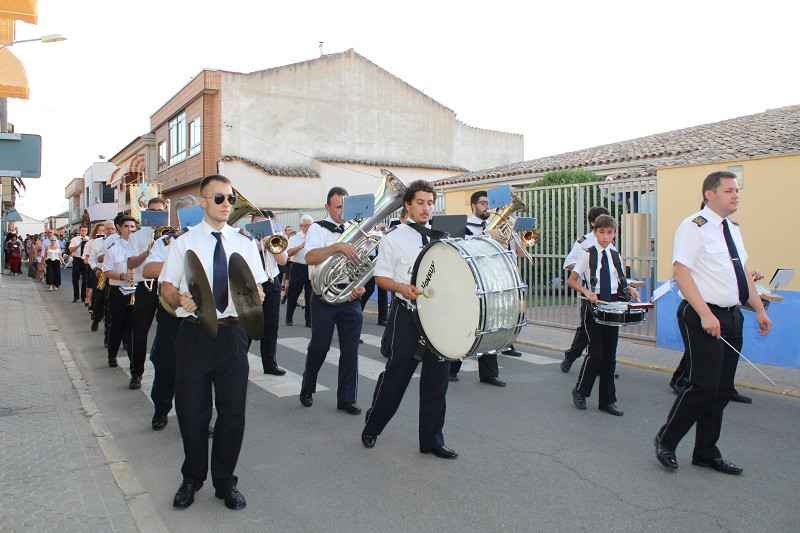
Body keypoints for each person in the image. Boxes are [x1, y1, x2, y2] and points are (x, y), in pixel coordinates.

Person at [160, 175, 266, 510]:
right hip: (193, 334)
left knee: (233, 412)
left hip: (233, 333)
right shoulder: (183, 242)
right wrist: (181, 298)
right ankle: (192, 478)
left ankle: (225, 482)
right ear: (203, 201)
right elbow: (165, 288)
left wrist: (257, 295)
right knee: (193, 412)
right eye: (218, 198)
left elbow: (258, 289)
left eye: (230, 199)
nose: (225, 204)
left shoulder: (246, 243)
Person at [655, 171, 771, 474]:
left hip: (732, 315)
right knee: (703, 385)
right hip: (703, 314)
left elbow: (742, 273)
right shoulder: (695, 226)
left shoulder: (732, 228)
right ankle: (666, 440)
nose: (736, 195)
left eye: (737, 191)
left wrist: (759, 309)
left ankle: (706, 451)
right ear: (710, 194)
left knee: (721, 389)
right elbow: (681, 272)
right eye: (729, 190)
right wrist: (706, 314)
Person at [362, 180, 457, 458]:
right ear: (407, 205)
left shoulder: (443, 237)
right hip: (407, 315)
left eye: (430, 202)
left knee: (436, 382)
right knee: (396, 379)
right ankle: (373, 426)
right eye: (420, 202)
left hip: (438, 317)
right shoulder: (393, 238)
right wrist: (402, 288)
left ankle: (431, 440)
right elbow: (381, 278)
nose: (426, 208)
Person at [299, 188, 364, 413]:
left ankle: (346, 398)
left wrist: (360, 284)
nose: (342, 212)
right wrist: (337, 246)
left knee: (350, 349)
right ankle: (307, 386)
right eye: (337, 207)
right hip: (323, 296)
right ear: (327, 208)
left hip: (349, 296)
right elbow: (309, 257)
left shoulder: (355, 229)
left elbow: (363, 263)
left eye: (345, 207)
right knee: (320, 346)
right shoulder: (318, 228)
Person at [568, 215, 639, 416]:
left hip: (612, 305)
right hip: (594, 306)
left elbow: (619, 279)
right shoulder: (587, 253)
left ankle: (607, 400)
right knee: (596, 353)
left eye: (610, 232)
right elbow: (572, 281)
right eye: (602, 232)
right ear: (595, 232)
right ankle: (581, 391)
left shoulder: (615, 254)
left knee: (610, 355)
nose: (606, 237)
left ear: (614, 233)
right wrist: (587, 292)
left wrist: (630, 289)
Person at [143, 195, 199, 431]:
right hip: (173, 311)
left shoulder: (210, 240)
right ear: (178, 217)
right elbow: (148, 269)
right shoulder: (166, 242)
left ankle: (197, 417)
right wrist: (176, 263)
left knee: (198, 370)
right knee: (166, 364)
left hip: (200, 312)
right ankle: (161, 409)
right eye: (188, 214)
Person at [668, 267, 761, 404]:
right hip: (705, 307)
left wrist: (746, 277)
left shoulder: (736, 248)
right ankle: (681, 381)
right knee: (700, 353)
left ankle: (726, 388)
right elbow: (684, 273)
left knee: (727, 355)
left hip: (730, 309)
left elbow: (729, 273)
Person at [449, 190, 507, 386]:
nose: (487, 207)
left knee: (489, 325)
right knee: (464, 324)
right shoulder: (463, 226)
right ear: (473, 206)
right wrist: (485, 235)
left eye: (488, 204)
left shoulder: (495, 227)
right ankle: (452, 367)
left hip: (489, 280)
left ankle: (489, 373)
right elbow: (459, 246)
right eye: (483, 204)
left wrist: (503, 242)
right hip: (468, 281)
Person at [560, 206, 613, 373]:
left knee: (604, 330)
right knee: (586, 330)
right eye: (601, 221)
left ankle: (603, 364)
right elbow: (568, 262)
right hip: (589, 292)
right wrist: (589, 267)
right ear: (593, 224)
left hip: (606, 293)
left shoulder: (609, 242)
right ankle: (571, 356)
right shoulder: (585, 241)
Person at [126, 197, 168, 391]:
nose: (156, 214)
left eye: (160, 211)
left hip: (165, 285)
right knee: (140, 331)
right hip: (145, 286)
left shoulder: (171, 235)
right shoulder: (137, 236)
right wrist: (147, 252)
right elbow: (130, 264)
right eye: (152, 211)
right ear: (146, 212)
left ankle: (165, 367)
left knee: (167, 331)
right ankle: (136, 372)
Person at [251, 211, 288, 376]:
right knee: (248, 327)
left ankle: (269, 364)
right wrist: (258, 246)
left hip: (272, 283)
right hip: (251, 286)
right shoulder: (246, 240)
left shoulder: (275, 238)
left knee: (271, 326)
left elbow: (283, 261)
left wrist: (270, 245)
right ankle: (238, 363)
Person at [103, 216, 137, 369]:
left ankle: (133, 361)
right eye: (127, 226)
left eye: (132, 226)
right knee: (117, 325)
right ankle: (112, 354)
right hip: (118, 290)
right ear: (120, 228)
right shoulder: (113, 248)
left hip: (136, 290)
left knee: (133, 328)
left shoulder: (140, 248)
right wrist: (123, 276)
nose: (130, 229)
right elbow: (107, 271)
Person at [285, 214, 313, 327]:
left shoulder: (315, 236)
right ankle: (289, 317)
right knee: (293, 294)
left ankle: (309, 320)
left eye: (310, 226)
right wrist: (301, 246)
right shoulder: (295, 237)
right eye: (306, 226)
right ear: (301, 226)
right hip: (298, 267)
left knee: (310, 295)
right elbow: (289, 253)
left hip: (310, 267)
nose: (308, 228)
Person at [68, 225, 90, 303]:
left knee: (85, 279)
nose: (84, 232)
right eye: (82, 230)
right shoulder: (74, 239)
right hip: (77, 259)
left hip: (85, 259)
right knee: (75, 278)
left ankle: (83, 296)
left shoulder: (89, 240)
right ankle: (76, 296)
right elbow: (70, 250)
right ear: (80, 231)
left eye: (85, 231)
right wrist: (79, 244)